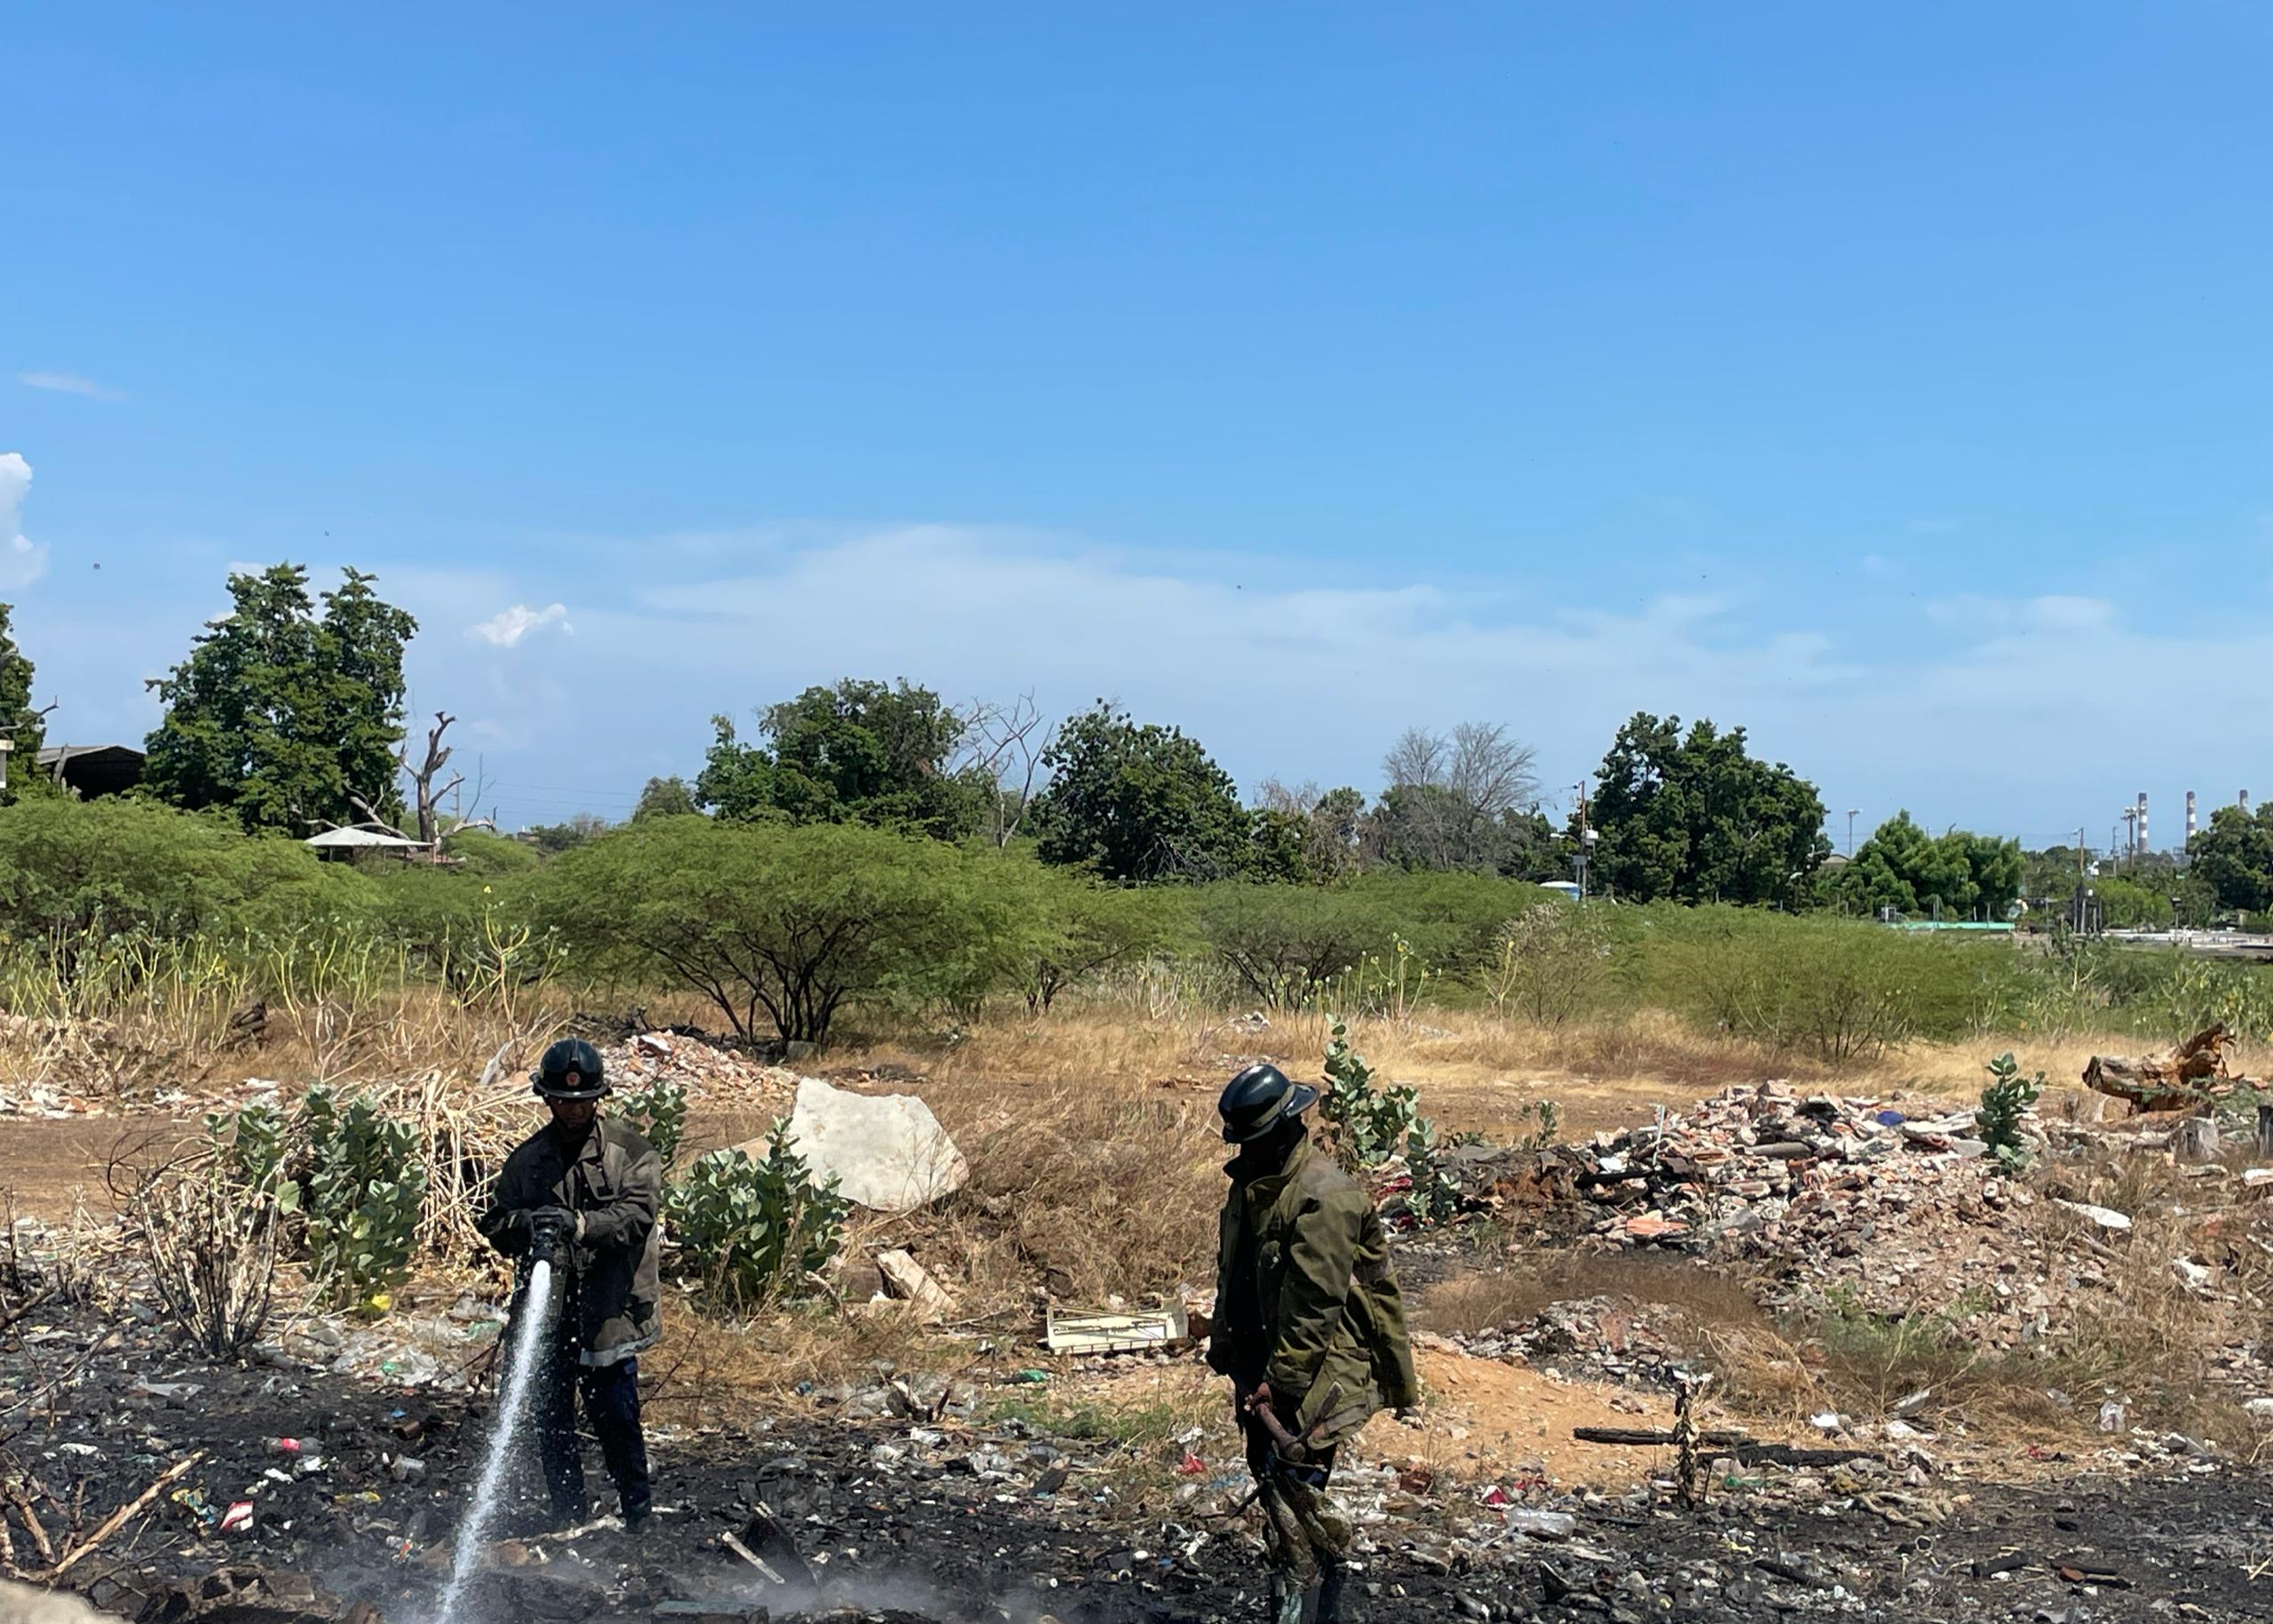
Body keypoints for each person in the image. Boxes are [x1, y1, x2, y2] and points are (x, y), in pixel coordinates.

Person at [1208, 1062, 1419, 1624]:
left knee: (1299, 1510)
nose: (1245, 1151)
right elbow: (1237, 1274)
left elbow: (1314, 1309)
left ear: (1283, 1130)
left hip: (1316, 1373)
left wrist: (1280, 1386)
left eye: (1254, 1140)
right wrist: (1229, 1351)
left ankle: (1308, 1609)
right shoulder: (1253, 1186)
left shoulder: (1325, 1198)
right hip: (1266, 1369)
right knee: (1278, 1499)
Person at [477, 1037, 662, 1530]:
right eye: (562, 1101)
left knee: (617, 1418)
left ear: (597, 1099)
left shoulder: (634, 1153)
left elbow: (636, 1216)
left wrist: (579, 1226)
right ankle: (568, 1517)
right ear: (546, 1099)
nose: (573, 1109)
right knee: (552, 1418)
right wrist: (528, 1226)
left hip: (609, 1309)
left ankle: (638, 1517)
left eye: (582, 1101)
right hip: (550, 1312)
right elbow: (495, 1222)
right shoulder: (527, 1161)